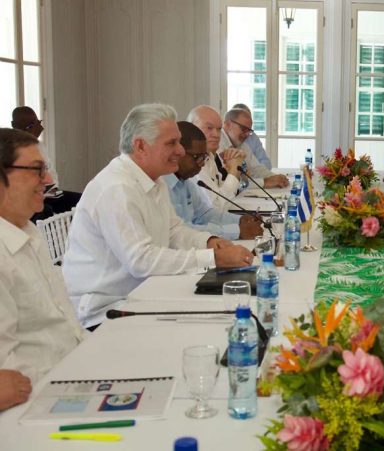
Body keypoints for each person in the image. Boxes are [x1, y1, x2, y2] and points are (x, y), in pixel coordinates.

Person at [63, 104, 254, 329]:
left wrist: (210, 242)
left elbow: (174, 230)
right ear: (141, 146)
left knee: (224, 316)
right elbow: (141, 260)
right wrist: (212, 258)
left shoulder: (155, 179)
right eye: (171, 143)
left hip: (142, 293)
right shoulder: (116, 188)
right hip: (106, 311)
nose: (181, 151)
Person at [0, 128, 84, 383]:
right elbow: (9, 372)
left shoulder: (29, 232)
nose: (47, 179)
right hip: (38, 397)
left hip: (74, 369)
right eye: (37, 170)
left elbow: (68, 328)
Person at [165, 121, 264, 240]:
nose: (201, 164)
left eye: (204, 157)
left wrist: (240, 220)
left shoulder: (185, 182)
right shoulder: (163, 185)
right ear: (178, 153)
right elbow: (181, 231)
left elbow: (205, 214)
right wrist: (237, 230)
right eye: (197, 157)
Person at [11, 106, 82, 220]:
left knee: (82, 201)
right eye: (29, 126)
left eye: (36, 123)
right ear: (14, 125)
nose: (37, 128)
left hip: (51, 193)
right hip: (32, 195)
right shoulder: (13, 150)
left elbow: (50, 177)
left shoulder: (39, 146)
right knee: (45, 211)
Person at [188, 105, 247, 211]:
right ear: (192, 129)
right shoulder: (191, 163)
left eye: (219, 129)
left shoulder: (209, 156)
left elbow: (223, 193)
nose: (216, 135)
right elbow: (218, 207)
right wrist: (234, 171)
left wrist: (235, 172)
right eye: (209, 128)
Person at [219, 108, 288, 189]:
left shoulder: (241, 144)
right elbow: (230, 184)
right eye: (244, 129)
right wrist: (266, 181)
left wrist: (276, 178)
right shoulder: (218, 144)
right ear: (228, 125)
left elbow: (256, 169)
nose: (247, 134)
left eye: (249, 130)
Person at [232, 103, 272, 170]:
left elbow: (266, 162)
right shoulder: (222, 141)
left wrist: (256, 172)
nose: (247, 133)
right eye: (243, 128)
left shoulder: (252, 137)